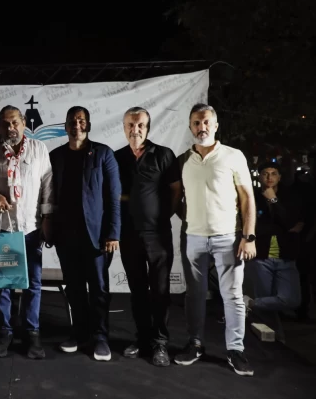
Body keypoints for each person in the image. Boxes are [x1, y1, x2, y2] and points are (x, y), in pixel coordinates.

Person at [175, 104, 256, 376]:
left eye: (206, 122)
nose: (202, 127)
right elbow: (178, 199)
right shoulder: (183, 160)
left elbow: (247, 199)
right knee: (194, 294)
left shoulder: (233, 155)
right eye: (196, 123)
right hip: (193, 237)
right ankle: (195, 344)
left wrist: (248, 236)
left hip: (228, 237)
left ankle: (235, 350)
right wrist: (192, 219)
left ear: (216, 125)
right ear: (190, 127)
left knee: (232, 295)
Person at [0, 105, 54, 359]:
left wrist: (47, 218)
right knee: (3, 285)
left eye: (14, 123)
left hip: (30, 228)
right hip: (2, 227)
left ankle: (32, 333)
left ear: (24, 124)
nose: (10, 128)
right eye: (5, 124)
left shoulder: (39, 149)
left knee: (33, 284)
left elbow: (48, 185)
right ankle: (4, 332)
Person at [49, 106, 121, 361]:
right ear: (65, 126)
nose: (76, 125)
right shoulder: (56, 156)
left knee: (99, 288)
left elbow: (113, 197)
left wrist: (113, 233)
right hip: (66, 236)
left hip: (97, 236)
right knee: (75, 288)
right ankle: (79, 333)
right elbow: (49, 195)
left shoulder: (103, 154)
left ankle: (100, 337)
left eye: (81, 120)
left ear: (88, 125)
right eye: (72, 121)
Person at [114, 107, 181, 366]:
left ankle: (160, 343)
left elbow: (175, 190)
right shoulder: (117, 157)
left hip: (158, 236)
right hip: (128, 235)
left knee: (160, 291)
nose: (136, 129)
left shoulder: (164, 155)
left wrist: (163, 216)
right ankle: (142, 339)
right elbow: (114, 193)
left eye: (140, 125)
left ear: (148, 127)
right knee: (138, 291)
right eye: (131, 125)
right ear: (124, 128)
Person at [246, 162, 302, 341]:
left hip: (286, 256)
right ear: (259, 176)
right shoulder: (253, 197)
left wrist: (273, 200)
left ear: (279, 177)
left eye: (274, 173)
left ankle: (247, 303)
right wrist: (282, 227)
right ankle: (275, 341)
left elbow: (290, 221)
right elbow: (254, 226)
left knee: (291, 299)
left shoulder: (290, 197)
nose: (269, 177)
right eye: (265, 173)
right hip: (261, 256)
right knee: (266, 307)